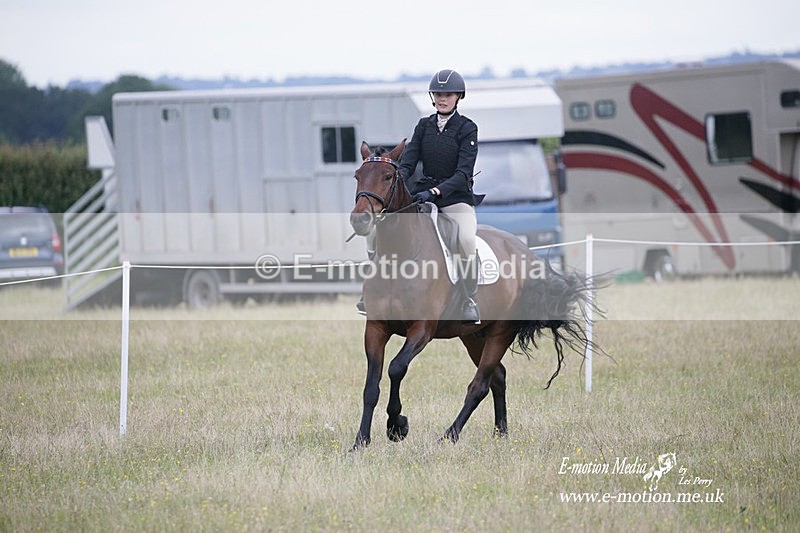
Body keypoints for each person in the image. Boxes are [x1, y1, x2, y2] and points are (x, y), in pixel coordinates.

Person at [399, 68, 482, 324]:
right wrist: (397, 182)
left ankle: (469, 299)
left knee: (466, 238)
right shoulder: (423, 126)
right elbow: (408, 162)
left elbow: (463, 173)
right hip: (423, 195)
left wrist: (436, 191)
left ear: (458, 97)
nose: (442, 99)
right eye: (438, 94)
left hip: (455, 197)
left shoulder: (467, 128)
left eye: (448, 95)